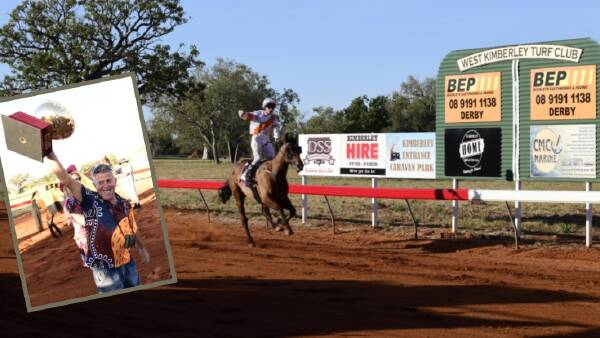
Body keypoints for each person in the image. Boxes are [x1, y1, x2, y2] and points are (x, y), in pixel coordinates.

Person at [46, 151, 150, 293]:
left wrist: (141, 248)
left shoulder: (124, 204)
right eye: (100, 182)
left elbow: (131, 228)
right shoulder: (90, 200)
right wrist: (50, 155)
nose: (105, 185)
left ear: (115, 181)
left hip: (126, 260)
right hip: (105, 268)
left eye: (108, 180)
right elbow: (67, 180)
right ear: (94, 185)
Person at [238, 97, 281, 187]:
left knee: (273, 158)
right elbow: (248, 115)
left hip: (266, 140)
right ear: (264, 107)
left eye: (272, 106)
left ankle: (268, 176)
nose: (271, 108)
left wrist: (276, 136)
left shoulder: (273, 118)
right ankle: (246, 176)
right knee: (257, 158)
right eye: (269, 106)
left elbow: (277, 126)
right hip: (256, 138)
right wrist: (243, 114)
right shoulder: (258, 113)